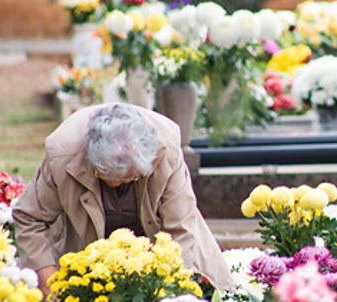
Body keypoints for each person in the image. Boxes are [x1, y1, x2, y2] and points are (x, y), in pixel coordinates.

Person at [12, 103, 235, 297]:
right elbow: (30, 218)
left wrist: (170, 291)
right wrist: (48, 280)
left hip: (158, 256)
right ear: (94, 164)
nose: (124, 183)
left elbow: (181, 230)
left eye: (132, 177)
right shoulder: (63, 155)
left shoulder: (165, 151)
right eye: (113, 178)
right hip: (84, 254)